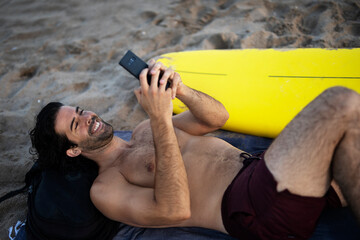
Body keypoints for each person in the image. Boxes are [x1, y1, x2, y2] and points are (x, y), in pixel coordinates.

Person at [30, 60, 360, 240]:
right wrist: (161, 117)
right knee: (339, 102)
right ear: (73, 151)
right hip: (249, 206)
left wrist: (181, 90)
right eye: (76, 124)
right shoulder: (106, 188)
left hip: (266, 170)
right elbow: (174, 211)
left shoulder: (145, 129)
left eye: (79, 110)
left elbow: (218, 117)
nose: (88, 117)